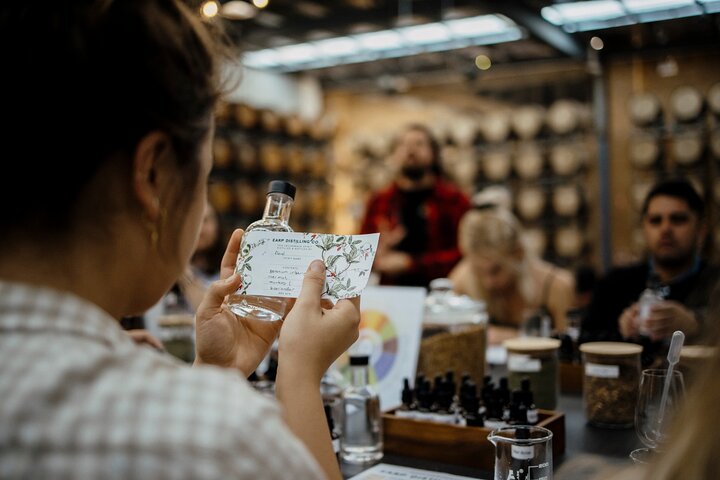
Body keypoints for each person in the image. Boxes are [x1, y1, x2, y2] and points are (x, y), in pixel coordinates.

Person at [0, 2, 360, 479]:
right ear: (154, 174)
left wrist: (218, 371)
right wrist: (298, 371)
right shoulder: (221, 440)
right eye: (204, 177)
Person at [580, 178, 720, 365]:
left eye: (678, 219)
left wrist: (697, 325)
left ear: (701, 230)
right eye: (656, 221)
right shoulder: (614, 284)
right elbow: (583, 341)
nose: (665, 229)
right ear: (644, 229)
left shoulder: (715, 282)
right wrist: (622, 333)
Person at [359, 123, 471, 288]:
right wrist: (378, 254)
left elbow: (465, 254)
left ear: (433, 153)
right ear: (394, 154)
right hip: (392, 296)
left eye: (419, 144)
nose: (410, 150)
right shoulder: (379, 202)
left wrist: (411, 264)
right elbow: (361, 253)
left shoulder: (454, 200)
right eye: (403, 144)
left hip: (443, 294)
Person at [449, 207, 575, 345]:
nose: (488, 283)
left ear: (518, 254)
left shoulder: (555, 287)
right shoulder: (461, 279)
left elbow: (568, 352)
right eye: (478, 272)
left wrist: (512, 337)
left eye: (495, 271)